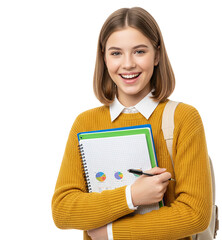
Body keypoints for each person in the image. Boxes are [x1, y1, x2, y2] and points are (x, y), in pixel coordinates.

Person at [51, 7, 212, 240]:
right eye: (116, 53)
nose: (127, 64)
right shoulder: (85, 123)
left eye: (139, 51)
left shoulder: (183, 118)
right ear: (104, 58)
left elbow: (195, 214)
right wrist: (131, 195)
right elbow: (63, 211)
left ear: (156, 55)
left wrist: (110, 233)